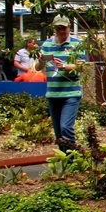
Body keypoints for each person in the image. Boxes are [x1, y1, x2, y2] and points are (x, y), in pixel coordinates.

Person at [37, 15, 83, 148]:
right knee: (58, 132)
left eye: (64, 28)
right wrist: (41, 61)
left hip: (71, 93)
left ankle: (73, 158)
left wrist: (64, 66)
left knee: (65, 127)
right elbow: (37, 67)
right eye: (59, 28)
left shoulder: (77, 44)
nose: (62, 31)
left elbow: (81, 66)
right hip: (53, 93)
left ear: (69, 27)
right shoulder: (47, 44)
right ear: (54, 28)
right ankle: (65, 160)